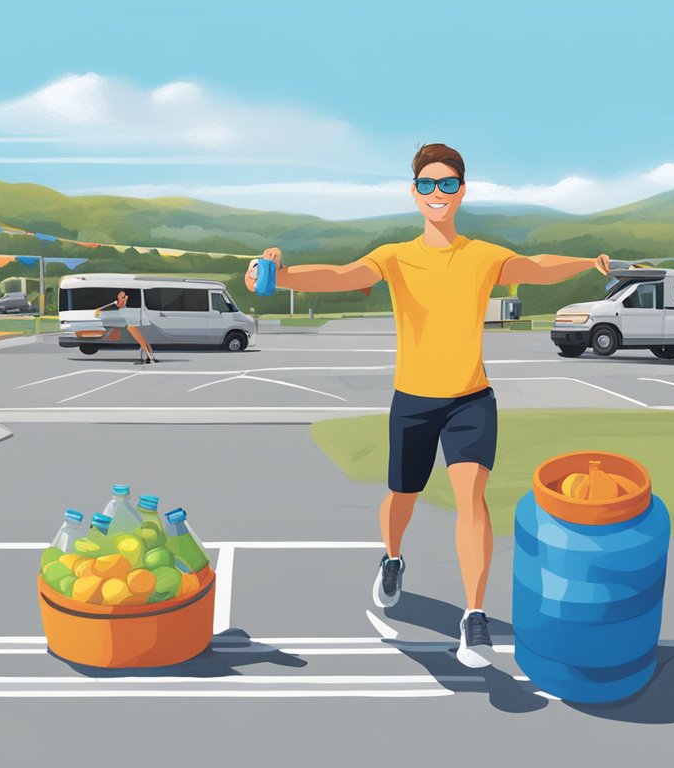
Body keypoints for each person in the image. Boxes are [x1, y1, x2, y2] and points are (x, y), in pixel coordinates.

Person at [248, 143, 608, 668]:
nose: (436, 194)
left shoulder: (481, 256)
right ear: (414, 193)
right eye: (426, 185)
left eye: (446, 185)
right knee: (402, 498)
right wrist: (284, 276)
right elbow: (341, 275)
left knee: (472, 502)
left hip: (470, 400)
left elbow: (535, 268)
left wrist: (587, 263)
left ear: (461, 191)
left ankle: (475, 616)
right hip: (413, 401)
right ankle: (393, 558)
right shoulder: (395, 257)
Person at [94, 290, 157, 364]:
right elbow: (120, 306)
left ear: (127, 297)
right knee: (142, 340)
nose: (121, 299)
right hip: (131, 323)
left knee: (142, 340)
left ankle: (150, 357)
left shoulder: (130, 305)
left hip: (134, 323)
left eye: (123, 297)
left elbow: (121, 306)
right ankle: (150, 357)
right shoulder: (123, 305)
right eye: (119, 297)